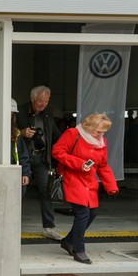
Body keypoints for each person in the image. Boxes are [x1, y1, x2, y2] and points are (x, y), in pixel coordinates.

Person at [52, 113, 119, 264]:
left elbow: (102, 165)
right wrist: (78, 163)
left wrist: (111, 186)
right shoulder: (73, 134)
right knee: (83, 213)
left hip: (89, 183)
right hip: (73, 179)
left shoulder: (102, 142)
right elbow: (57, 152)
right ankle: (78, 249)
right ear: (89, 126)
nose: (100, 135)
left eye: (103, 132)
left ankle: (68, 241)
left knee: (92, 213)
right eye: (98, 131)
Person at [16, 85, 63, 240]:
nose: (43, 105)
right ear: (32, 99)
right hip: (23, 158)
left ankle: (49, 227)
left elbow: (55, 134)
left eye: (46, 101)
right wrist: (20, 133)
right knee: (19, 193)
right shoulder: (20, 111)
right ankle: (12, 225)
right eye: (40, 101)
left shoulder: (48, 114)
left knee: (46, 191)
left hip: (42, 158)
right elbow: (6, 129)